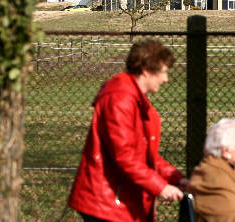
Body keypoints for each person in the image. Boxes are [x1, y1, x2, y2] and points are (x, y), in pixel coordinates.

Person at [68, 39, 188, 222]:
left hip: (120, 199)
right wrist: (161, 187)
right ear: (146, 71)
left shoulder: (136, 100)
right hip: (105, 203)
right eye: (163, 72)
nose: (166, 79)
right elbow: (125, 156)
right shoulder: (120, 99)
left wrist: (177, 179)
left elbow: (146, 156)